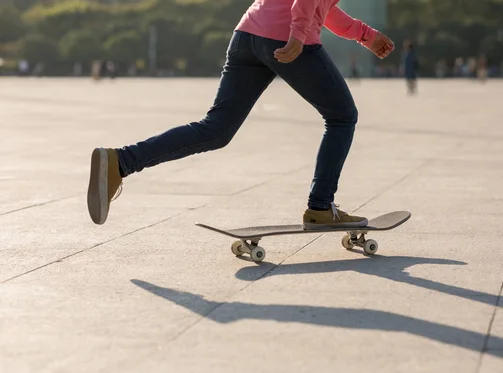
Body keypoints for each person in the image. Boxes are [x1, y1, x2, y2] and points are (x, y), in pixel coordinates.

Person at [87, 0, 395, 229]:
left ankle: (121, 161)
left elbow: (324, 8)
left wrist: (366, 35)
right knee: (342, 117)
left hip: (248, 34)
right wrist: (298, 35)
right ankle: (321, 207)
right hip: (284, 35)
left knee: (216, 129)